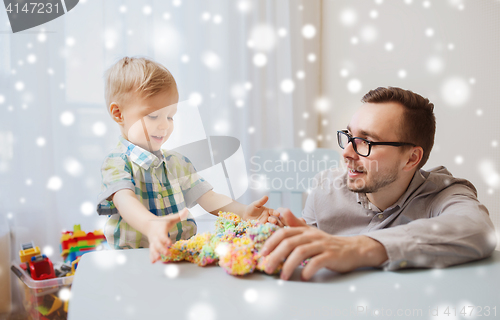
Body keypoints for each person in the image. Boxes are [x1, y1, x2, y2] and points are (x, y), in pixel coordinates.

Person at [262, 86, 498, 281]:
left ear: (411, 158)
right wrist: (277, 233)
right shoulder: (325, 187)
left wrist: (360, 248)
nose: (346, 153)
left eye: (365, 141)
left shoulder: (445, 194)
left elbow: (478, 229)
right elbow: (311, 253)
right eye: (348, 136)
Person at [96, 57, 279, 263]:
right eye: (153, 116)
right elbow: (124, 201)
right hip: (134, 259)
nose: (164, 125)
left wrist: (243, 211)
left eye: (170, 116)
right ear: (119, 114)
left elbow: (208, 197)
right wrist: (151, 224)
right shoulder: (117, 162)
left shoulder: (177, 163)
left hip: (180, 255)